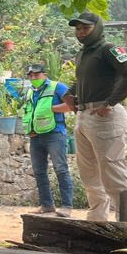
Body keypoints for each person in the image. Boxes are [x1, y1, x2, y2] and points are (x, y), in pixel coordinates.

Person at [69, 12, 127, 222]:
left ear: (98, 28)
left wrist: (110, 102)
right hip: (84, 116)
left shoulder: (109, 49)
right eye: (78, 28)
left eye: (86, 28)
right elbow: (85, 80)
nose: (81, 32)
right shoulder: (83, 54)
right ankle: (96, 223)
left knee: (113, 173)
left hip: (106, 116)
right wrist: (70, 93)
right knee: (89, 175)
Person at [21, 63, 74, 216]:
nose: (33, 78)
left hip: (55, 134)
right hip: (35, 136)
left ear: (44, 74)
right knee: (39, 171)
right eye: (30, 75)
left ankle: (66, 206)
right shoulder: (30, 91)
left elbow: (71, 105)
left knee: (61, 169)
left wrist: (52, 108)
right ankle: (46, 205)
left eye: (36, 75)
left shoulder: (57, 87)